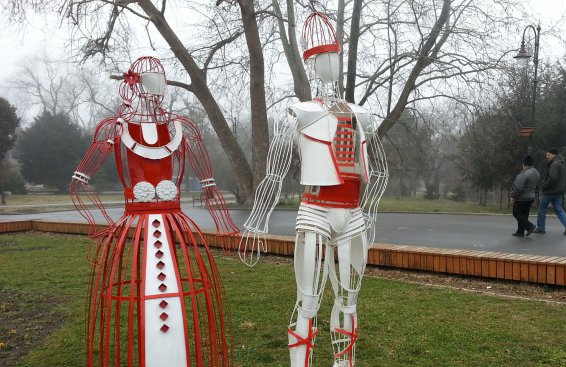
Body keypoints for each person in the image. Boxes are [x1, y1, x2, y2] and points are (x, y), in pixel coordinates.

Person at [238, 11, 388, 367]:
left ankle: (343, 363)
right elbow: (273, 172)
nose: (333, 65)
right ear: (311, 64)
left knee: (349, 300)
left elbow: (379, 172)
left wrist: (371, 215)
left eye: (337, 58)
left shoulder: (361, 115)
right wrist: (257, 222)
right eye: (325, 58)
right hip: (315, 212)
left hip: (352, 215)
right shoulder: (300, 112)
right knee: (308, 300)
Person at [71, 56, 237, 367]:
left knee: (171, 294)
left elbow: (209, 184)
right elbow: (79, 183)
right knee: (156, 293)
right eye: (152, 79)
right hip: (139, 214)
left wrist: (225, 222)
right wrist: (107, 225)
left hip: (173, 217)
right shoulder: (116, 127)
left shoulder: (181, 126)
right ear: (136, 83)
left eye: (161, 79)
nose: (158, 87)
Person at [533, 148, 566, 235]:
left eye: (548, 155)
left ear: (553, 155)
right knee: (559, 209)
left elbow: (552, 178)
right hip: (559, 192)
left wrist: (544, 185)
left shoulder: (555, 164)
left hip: (550, 191)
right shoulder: (562, 163)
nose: (547, 157)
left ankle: (541, 228)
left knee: (542, 209)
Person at [510, 155, 541, 237]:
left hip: (522, 198)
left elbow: (518, 187)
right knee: (524, 214)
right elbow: (538, 186)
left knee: (516, 213)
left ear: (524, 164)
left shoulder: (524, 173)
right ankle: (520, 232)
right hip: (531, 197)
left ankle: (530, 226)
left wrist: (513, 196)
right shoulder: (536, 172)